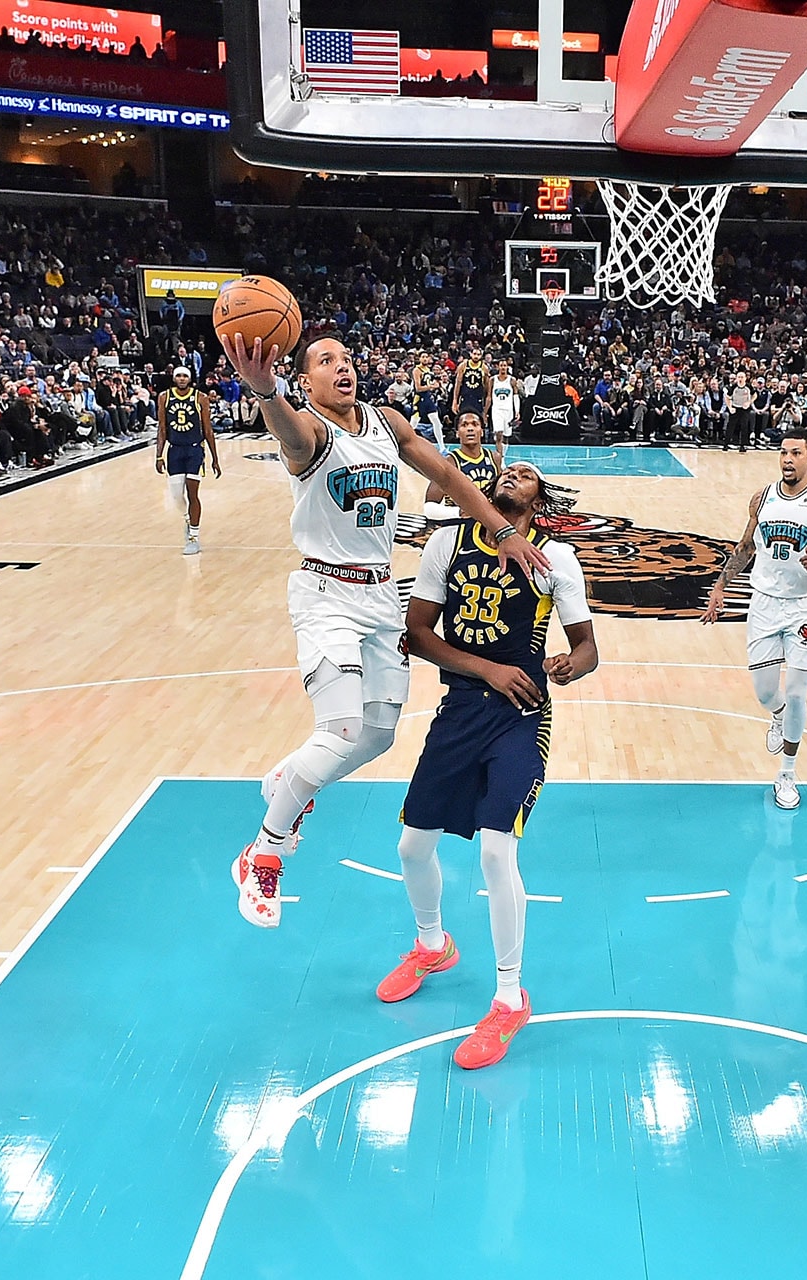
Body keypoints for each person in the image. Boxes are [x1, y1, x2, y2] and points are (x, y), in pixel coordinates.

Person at [220, 330, 550, 928]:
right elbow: (288, 434)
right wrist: (266, 391)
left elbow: (450, 477)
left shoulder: (386, 421)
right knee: (341, 725)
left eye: (346, 358)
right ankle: (264, 853)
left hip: (378, 593)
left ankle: (292, 775)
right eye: (326, 362)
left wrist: (502, 530)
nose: (342, 368)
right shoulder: (310, 432)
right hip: (325, 594)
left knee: (377, 734)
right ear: (306, 382)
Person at [379, 461, 598, 1069]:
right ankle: (432, 945)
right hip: (460, 711)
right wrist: (487, 670)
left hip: (522, 717)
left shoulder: (558, 560)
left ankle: (508, 997)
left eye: (528, 473)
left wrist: (569, 664)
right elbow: (417, 634)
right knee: (410, 849)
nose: (515, 473)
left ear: (539, 498)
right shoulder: (447, 543)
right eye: (508, 469)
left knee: (496, 852)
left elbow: (588, 647)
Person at [699, 424, 807, 809]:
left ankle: (786, 773)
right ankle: (778, 715)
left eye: (796, 454)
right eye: (784, 453)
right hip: (765, 604)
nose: (788, 460)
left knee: (797, 690)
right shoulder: (762, 499)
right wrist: (721, 586)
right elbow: (745, 547)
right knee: (766, 692)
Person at [154, 366, 221, 555]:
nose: (182, 379)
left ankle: (194, 536)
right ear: (174, 378)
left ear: (190, 379)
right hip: (174, 451)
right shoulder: (164, 397)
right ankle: (187, 518)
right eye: (179, 376)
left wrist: (215, 458)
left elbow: (207, 429)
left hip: (194, 451)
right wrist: (159, 455)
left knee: (193, 494)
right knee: (176, 496)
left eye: (185, 376)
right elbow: (162, 428)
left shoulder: (200, 397)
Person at [423, 411, 503, 521]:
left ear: (482, 432)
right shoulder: (449, 462)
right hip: (459, 525)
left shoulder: (494, 458)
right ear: (457, 433)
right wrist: (459, 512)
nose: (470, 428)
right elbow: (429, 508)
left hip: (488, 525)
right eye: (464, 425)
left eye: (475, 424)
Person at [488, 360, 521, 448]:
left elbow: (516, 396)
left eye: (504, 365)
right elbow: (488, 397)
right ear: (498, 367)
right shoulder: (492, 380)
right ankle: (499, 456)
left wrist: (517, 411)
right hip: (497, 410)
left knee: (506, 436)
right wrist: (485, 411)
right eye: (501, 365)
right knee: (499, 433)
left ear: (507, 367)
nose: (503, 367)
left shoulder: (512, 380)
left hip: (508, 410)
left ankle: (503, 456)